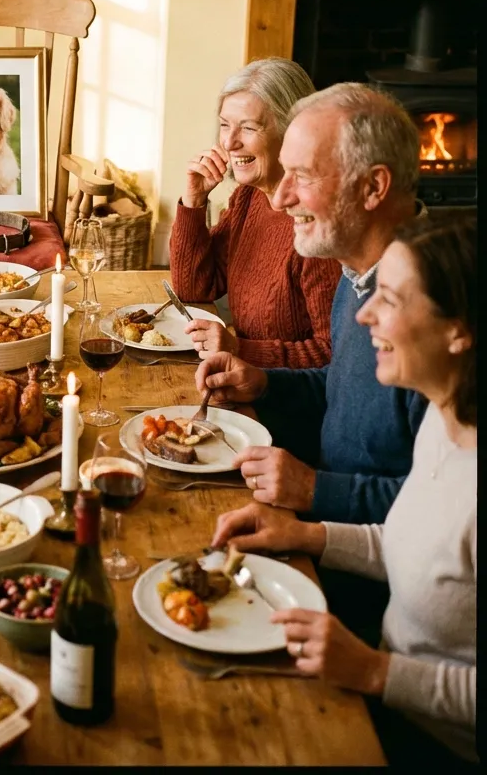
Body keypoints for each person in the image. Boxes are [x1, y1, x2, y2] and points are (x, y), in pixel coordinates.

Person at [211, 215, 476, 768]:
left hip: (434, 741)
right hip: (378, 681)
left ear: (459, 331)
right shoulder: (445, 420)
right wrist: (308, 534)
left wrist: (377, 672)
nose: (363, 315)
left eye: (393, 300)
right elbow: (409, 538)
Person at [196, 84, 428, 525]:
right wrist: (264, 382)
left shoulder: (439, 314)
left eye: (302, 176)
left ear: (373, 186)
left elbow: (451, 511)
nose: (281, 199)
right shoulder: (357, 272)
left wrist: (315, 489)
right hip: (319, 519)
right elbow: (342, 386)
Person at [169, 57, 339, 368]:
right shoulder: (248, 198)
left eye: (248, 127)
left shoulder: (316, 227)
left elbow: (332, 355)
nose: (230, 142)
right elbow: (194, 288)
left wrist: (240, 349)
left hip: (285, 399)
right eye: (224, 125)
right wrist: (193, 201)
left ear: (292, 132)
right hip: (244, 379)